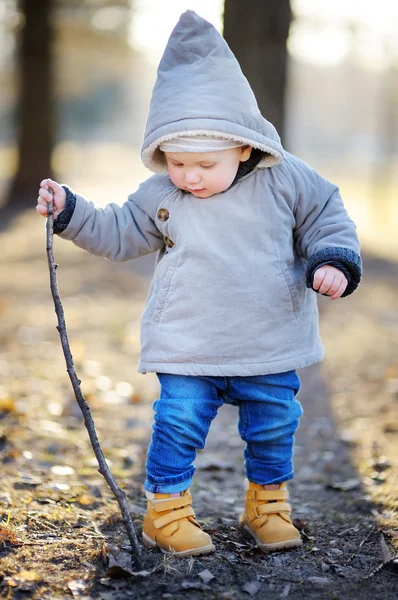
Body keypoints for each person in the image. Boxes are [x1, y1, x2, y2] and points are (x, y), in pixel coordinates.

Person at [36, 11, 362, 557]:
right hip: (189, 342)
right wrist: (72, 212)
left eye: (205, 164)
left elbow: (328, 216)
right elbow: (118, 231)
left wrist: (333, 259)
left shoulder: (287, 180)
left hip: (269, 339)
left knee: (274, 424)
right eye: (177, 161)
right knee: (178, 421)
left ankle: (267, 505)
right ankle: (166, 511)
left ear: (242, 146)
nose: (190, 176)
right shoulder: (164, 192)